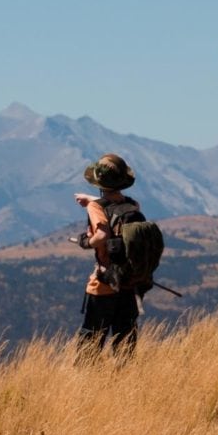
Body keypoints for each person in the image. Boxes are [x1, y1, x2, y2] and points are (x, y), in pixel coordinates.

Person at [73, 153, 142, 359]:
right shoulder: (132, 205)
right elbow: (114, 205)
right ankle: (124, 377)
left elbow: (102, 235)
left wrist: (85, 242)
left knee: (91, 338)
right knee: (125, 338)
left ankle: (88, 380)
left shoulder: (96, 207)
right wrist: (91, 200)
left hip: (103, 284)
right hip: (128, 283)